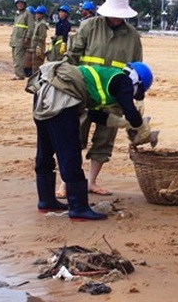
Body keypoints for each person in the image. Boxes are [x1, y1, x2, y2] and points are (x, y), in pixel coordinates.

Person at [29, 59, 155, 221]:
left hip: (45, 93)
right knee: (70, 153)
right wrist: (139, 126)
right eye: (136, 92)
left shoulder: (102, 80)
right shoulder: (123, 80)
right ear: (136, 81)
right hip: (61, 98)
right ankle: (79, 208)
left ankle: (46, 201)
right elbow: (130, 110)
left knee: (45, 150)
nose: (132, 94)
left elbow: (93, 115)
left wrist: (122, 123)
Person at [65, 0, 144, 196]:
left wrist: (134, 99)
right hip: (84, 93)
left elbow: (135, 70)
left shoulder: (133, 37)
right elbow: (72, 57)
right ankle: (66, 183)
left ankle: (91, 182)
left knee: (104, 141)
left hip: (113, 98)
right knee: (73, 138)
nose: (116, 18)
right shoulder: (89, 27)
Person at [9, 0, 34, 79]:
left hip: (21, 40)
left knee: (19, 58)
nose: (20, 5)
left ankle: (20, 75)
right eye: (18, 4)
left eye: (21, 3)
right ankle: (17, 73)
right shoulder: (17, 15)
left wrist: (27, 38)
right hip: (15, 39)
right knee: (15, 57)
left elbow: (31, 27)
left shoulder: (27, 14)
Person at [29, 5, 50, 73]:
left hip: (39, 48)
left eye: (38, 13)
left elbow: (42, 37)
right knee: (34, 64)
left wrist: (38, 47)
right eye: (36, 13)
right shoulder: (37, 23)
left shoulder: (42, 24)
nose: (36, 15)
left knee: (37, 65)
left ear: (42, 15)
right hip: (34, 47)